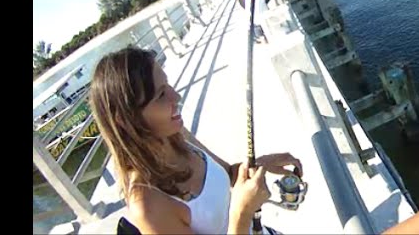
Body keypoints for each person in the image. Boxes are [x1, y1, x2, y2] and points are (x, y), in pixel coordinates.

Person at [90, 46, 303, 234]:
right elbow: (237, 212)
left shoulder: (177, 134)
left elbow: (229, 174)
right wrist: (242, 212)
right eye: (161, 95)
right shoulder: (147, 203)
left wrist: (256, 166)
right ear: (126, 119)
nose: (177, 97)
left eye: (168, 85)